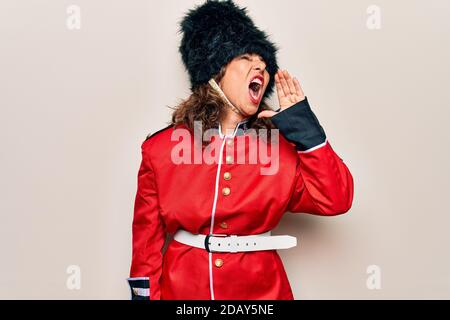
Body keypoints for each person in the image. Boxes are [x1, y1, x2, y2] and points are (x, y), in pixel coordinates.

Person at [127, 0, 354, 300]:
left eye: (263, 62)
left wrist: (306, 131)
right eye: (246, 57)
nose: (260, 65)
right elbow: (146, 246)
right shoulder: (159, 149)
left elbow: (336, 200)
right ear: (214, 72)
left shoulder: (282, 149)